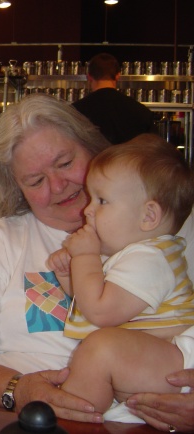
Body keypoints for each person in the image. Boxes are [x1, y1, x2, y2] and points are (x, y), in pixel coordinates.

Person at [0, 94, 194, 432]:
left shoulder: (173, 227)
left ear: (93, 148)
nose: (59, 186)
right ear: (18, 190)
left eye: (65, 163)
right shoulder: (1, 242)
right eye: (36, 181)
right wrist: (16, 390)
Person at [46, 134, 194, 414]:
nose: (88, 210)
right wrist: (70, 274)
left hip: (178, 362)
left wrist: (85, 258)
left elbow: (101, 313)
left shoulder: (150, 259)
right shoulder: (132, 256)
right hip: (155, 362)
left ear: (148, 216)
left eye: (102, 201)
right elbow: (92, 299)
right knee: (99, 349)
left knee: (100, 349)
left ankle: (74, 417)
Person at [73, 52, 154, 144]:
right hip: (129, 153)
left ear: (89, 77)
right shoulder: (141, 112)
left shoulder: (75, 111)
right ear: (117, 76)